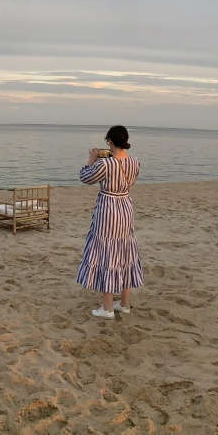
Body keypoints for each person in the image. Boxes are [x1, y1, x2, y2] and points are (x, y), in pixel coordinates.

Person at [79, 125, 144, 319]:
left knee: (107, 254)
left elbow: (85, 178)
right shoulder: (134, 162)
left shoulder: (105, 164)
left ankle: (107, 308)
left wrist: (91, 160)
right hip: (125, 207)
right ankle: (124, 304)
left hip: (108, 209)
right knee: (124, 253)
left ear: (109, 141)